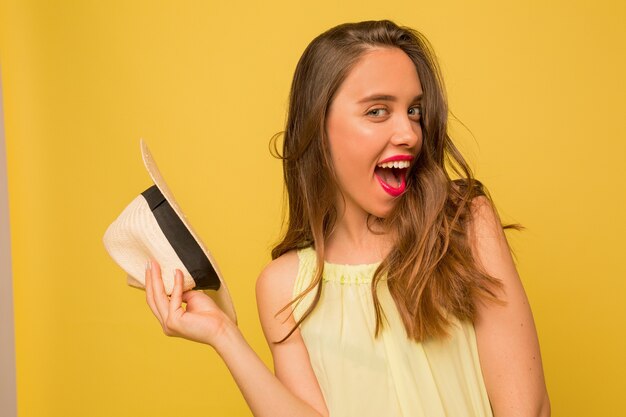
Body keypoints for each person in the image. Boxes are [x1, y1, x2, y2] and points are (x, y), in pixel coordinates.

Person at [144, 20, 550, 417]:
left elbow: (527, 408)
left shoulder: (464, 226)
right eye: (377, 111)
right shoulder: (286, 287)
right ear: (319, 129)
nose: (409, 133)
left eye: (414, 111)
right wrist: (223, 335)